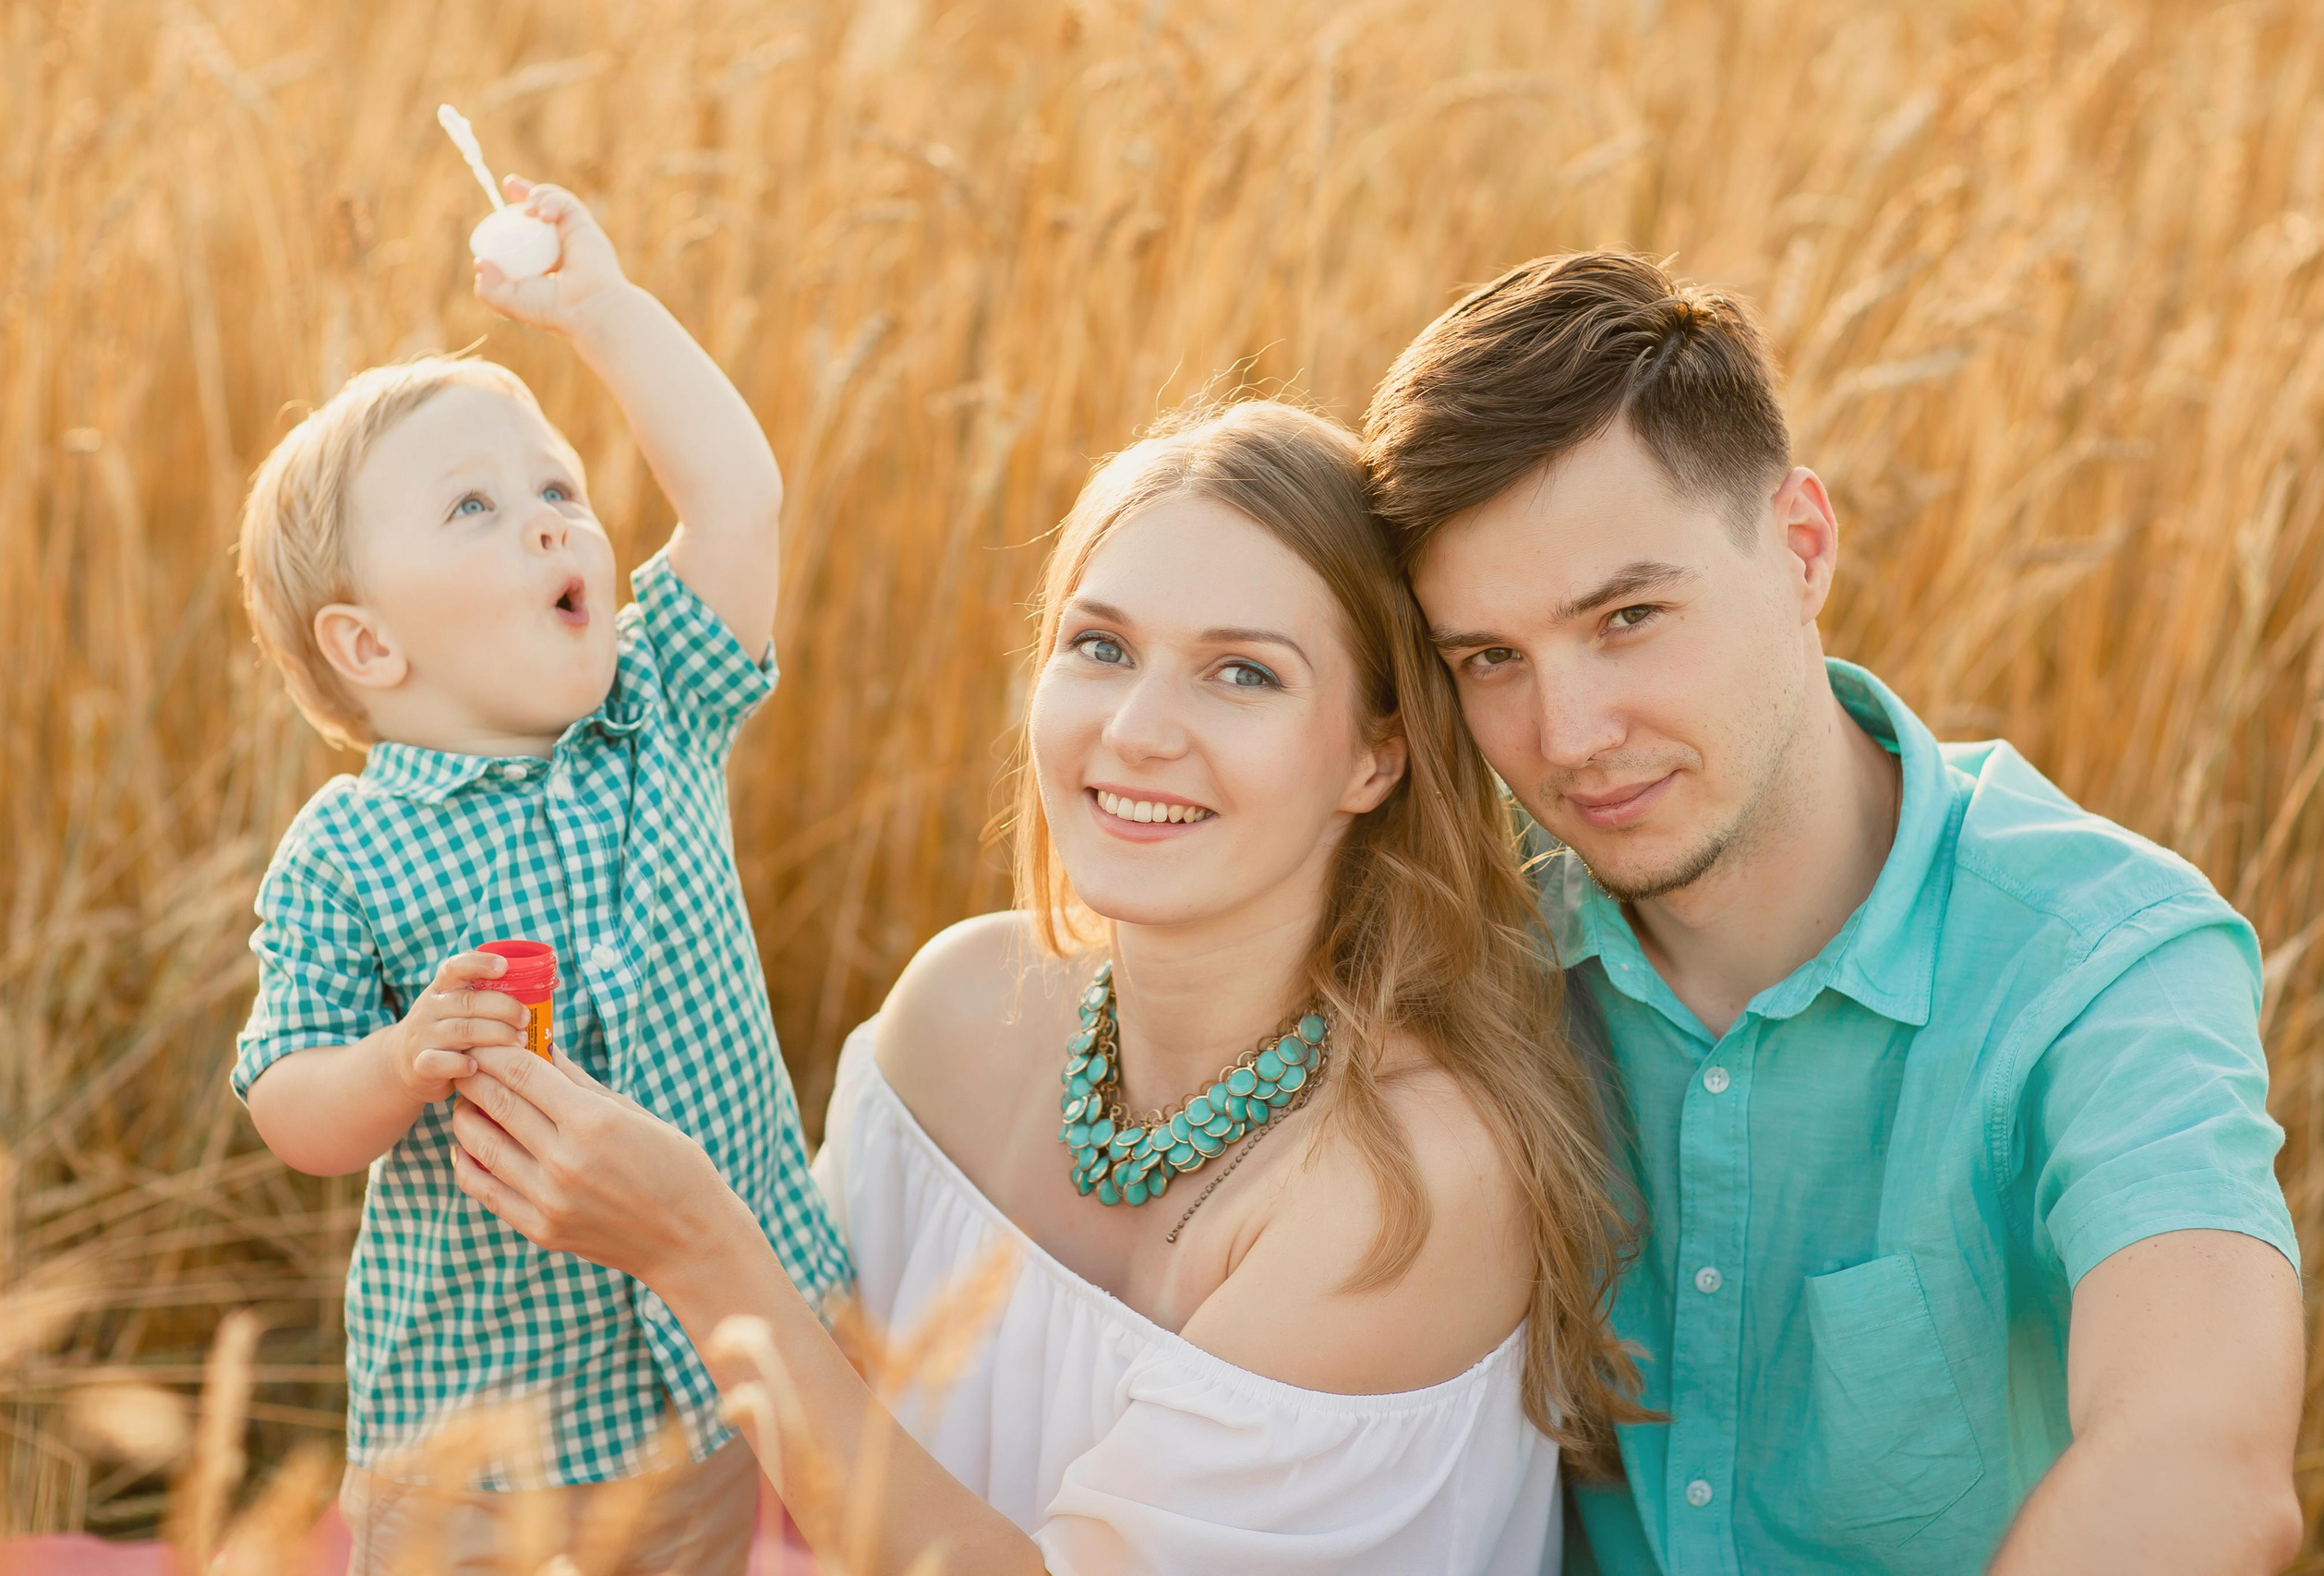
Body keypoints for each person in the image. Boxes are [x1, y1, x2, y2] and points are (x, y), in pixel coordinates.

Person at [444, 399, 1648, 1573]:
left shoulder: (1400, 1185)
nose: (1134, 730)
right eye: (1101, 646)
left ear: (1376, 755)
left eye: (1242, 676)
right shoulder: (961, 1010)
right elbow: (816, 1423)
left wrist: (703, 1256)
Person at [1358, 250, 2308, 1575]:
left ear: (1803, 547)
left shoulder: (2101, 956)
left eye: (1629, 617)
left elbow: (2202, 1464)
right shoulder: (1467, 946)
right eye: (1491, 660)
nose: (1568, 736)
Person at [229, 178, 849, 1571]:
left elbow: (740, 497)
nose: (557, 520)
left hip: (692, 1395)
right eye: (476, 507)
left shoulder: (658, 705)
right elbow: (290, 1103)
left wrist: (601, 311)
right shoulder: (350, 849)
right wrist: (402, 1062)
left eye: (559, 489)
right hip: (480, 1433)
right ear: (370, 648)